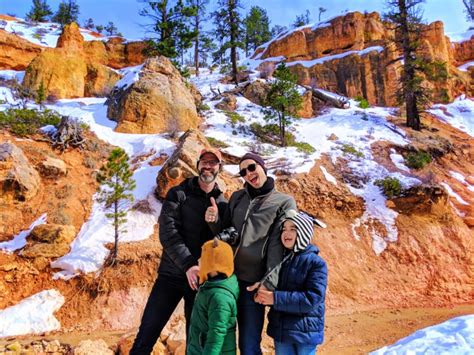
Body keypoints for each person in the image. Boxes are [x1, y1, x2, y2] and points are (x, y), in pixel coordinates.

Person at [130, 148, 227, 355]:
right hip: (170, 276)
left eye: (213, 162)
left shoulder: (222, 203)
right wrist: (189, 265)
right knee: (146, 335)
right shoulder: (178, 193)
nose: (208, 166)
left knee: (196, 342)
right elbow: (168, 234)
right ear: (198, 164)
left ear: (220, 167)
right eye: (204, 161)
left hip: (201, 282)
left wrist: (216, 221)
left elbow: (223, 242)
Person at [206, 152, 296, 355]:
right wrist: (213, 221)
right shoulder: (238, 197)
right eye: (243, 172)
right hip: (227, 279)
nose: (248, 174)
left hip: (252, 285)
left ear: (263, 167)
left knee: (248, 346)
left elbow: (279, 247)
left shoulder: (284, 202)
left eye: (252, 167)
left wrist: (268, 282)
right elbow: (226, 232)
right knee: (221, 341)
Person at [255, 210, 328, 355]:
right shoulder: (282, 261)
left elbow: (311, 299)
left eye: (293, 229)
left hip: (305, 333)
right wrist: (263, 293)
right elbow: (276, 288)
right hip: (282, 332)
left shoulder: (316, 263)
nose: (286, 233)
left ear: (304, 233)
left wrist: (274, 298)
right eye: (284, 229)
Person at [187, 238, 239, 355]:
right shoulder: (210, 286)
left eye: (203, 257)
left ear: (212, 264)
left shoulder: (219, 297)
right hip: (200, 349)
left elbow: (216, 335)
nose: (199, 260)